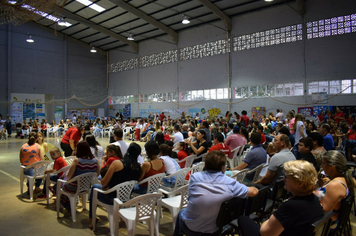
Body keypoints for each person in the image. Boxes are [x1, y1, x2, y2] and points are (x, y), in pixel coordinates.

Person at [173, 150, 258, 235]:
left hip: (191, 228)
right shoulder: (230, 183)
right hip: (214, 231)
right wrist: (255, 186)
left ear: (205, 165)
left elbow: (190, 198)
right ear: (223, 167)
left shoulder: (195, 177)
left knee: (181, 212)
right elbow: (254, 192)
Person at [238, 160, 324, 236]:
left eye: (286, 177)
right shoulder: (314, 199)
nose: (283, 179)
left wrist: (266, 222)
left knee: (243, 219)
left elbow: (265, 233)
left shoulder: (292, 206)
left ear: (300, 183)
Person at [88, 143, 142, 229]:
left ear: (127, 151)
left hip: (112, 197)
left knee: (94, 187)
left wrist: (104, 181)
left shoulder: (117, 163)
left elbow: (103, 183)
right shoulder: (138, 167)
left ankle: (92, 219)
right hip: (126, 197)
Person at [314, 150, 355, 235]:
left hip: (326, 225)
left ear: (332, 166)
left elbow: (325, 210)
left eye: (324, 163)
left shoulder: (335, 185)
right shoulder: (341, 179)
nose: (322, 166)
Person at [60, 141, 100, 210]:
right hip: (86, 186)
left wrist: (65, 175)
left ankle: (67, 205)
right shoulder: (96, 160)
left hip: (74, 187)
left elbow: (69, 177)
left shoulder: (77, 161)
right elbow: (97, 174)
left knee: (61, 183)